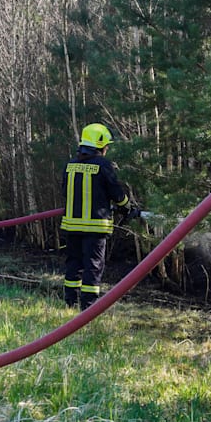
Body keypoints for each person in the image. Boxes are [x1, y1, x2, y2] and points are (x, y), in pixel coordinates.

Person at [60, 123, 137, 311]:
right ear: (100, 145)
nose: (107, 149)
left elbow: (66, 192)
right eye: (106, 146)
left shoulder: (70, 165)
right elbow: (116, 194)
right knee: (93, 266)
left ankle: (70, 303)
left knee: (73, 265)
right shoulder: (103, 165)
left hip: (71, 226)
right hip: (95, 227)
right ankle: (88, 308)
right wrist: (127, 207)